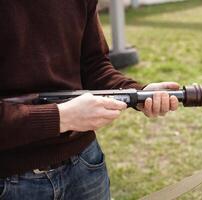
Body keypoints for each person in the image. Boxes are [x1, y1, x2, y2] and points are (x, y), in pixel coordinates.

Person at [0, 1, 179, 199]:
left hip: (85, 165)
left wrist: (139, 93)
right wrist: (61, 117)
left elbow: (93, 64)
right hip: (9, 180)